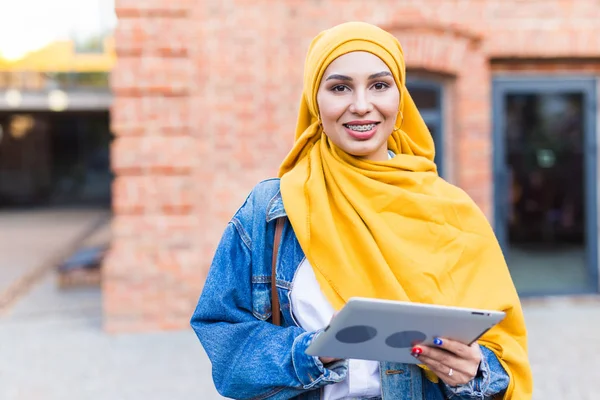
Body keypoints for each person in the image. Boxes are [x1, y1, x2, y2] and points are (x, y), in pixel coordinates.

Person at [191, 21, 532, 400]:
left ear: (399, 98)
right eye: (339, 87)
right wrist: (315, 349)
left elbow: (502, 356)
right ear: (314, 101)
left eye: (379, 85)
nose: (361, 105)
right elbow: (224, 341)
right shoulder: (271, 210)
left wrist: (473, 370)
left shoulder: (451, 211)